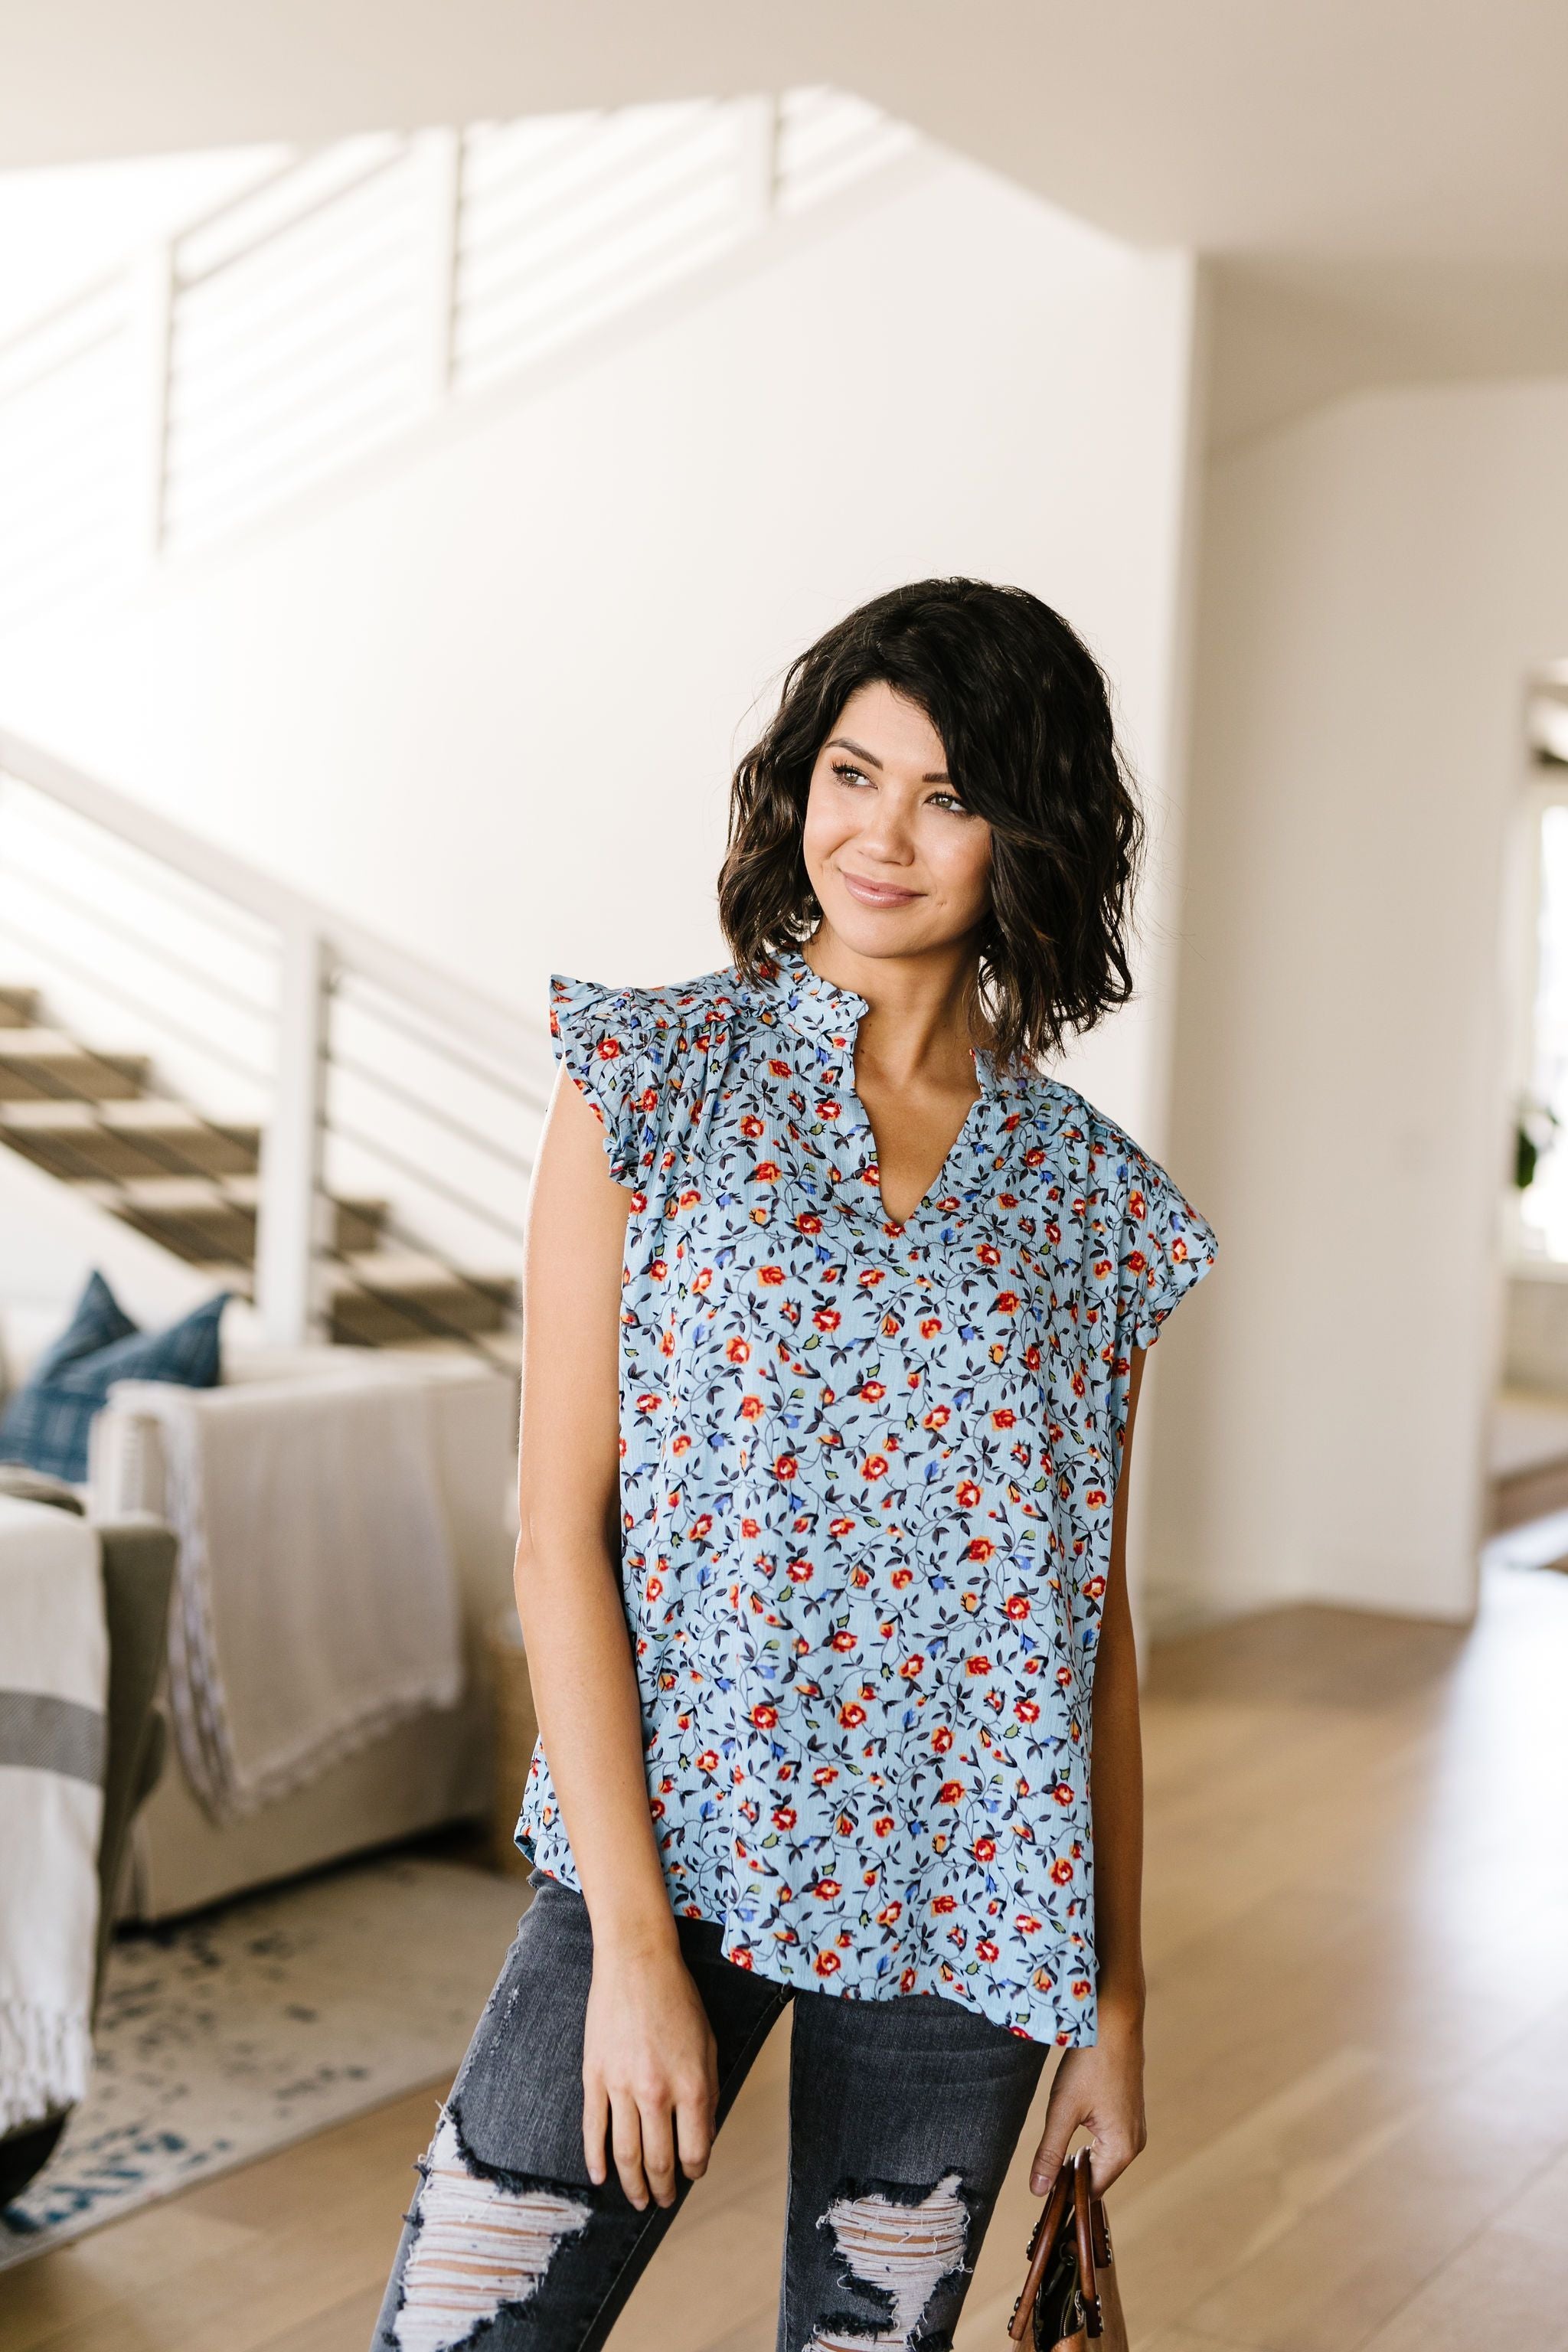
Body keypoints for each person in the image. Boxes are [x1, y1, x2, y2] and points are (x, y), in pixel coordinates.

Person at [372, 580, 1216, 2352]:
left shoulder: (1091, 1203)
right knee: (463, 2330)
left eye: (946, 792)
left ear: (1028, 833)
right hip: (665, 1845)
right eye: (852, 772)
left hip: (967, 1903)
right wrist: (626, 1949)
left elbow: (1092, 1625)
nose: (880, 835)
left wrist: (1114, 2011)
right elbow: (554, 1534)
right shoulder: (650, 1078)